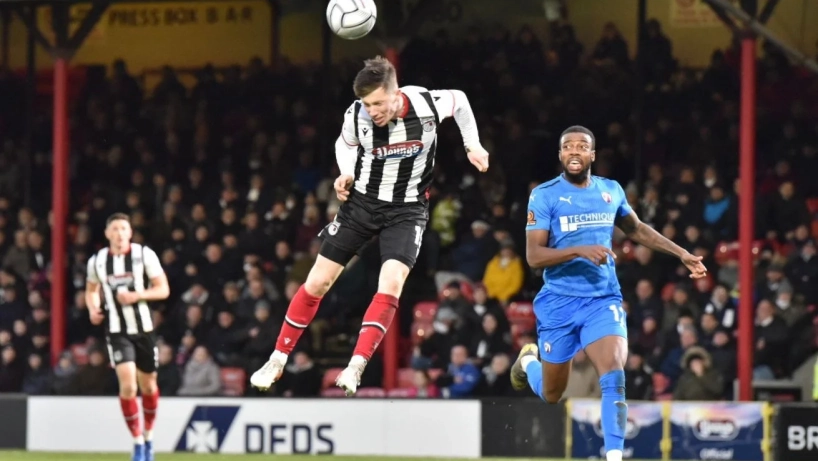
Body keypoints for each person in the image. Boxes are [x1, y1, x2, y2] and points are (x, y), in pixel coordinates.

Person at [250, 56, 490, 396]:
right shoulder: (356, 115)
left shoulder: (426, 104)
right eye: (367, 103)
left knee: (391, 282)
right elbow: (344, 143)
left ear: (395, 94)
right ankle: (277, 358)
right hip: (361, 204)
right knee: (317, 282)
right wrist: (345, 171)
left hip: (406, 210)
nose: (372, 110)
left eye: (378, 103)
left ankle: (356, 365)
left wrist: (473, 144)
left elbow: (461, 101)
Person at [510, 126, 707, 461]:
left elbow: (638, 229)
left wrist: (681, 253)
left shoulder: (610, 191)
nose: (575, 151)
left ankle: (614, 455)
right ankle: (529, 362)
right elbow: (534, 257)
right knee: (553, 393)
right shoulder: (544, 195)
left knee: (614, 372)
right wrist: (579, 250)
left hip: (602, 299)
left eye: (582, 147)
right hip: (559, 302)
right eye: (568, 147)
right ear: (560, 155)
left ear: (592, 155)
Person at [86, 213, 170, 461]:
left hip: (143, 330)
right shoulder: (98, 261)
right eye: (115, 229)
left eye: (124, 228)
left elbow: (163, 289)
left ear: (130, 232)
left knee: (148, 385)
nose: (119, 233)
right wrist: (92, 308)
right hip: (116, 330)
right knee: (128, 384)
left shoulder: (144, 255)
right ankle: (137, 443)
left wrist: (137, 296)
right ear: (107, 233)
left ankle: (149, 435)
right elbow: (91, 290)